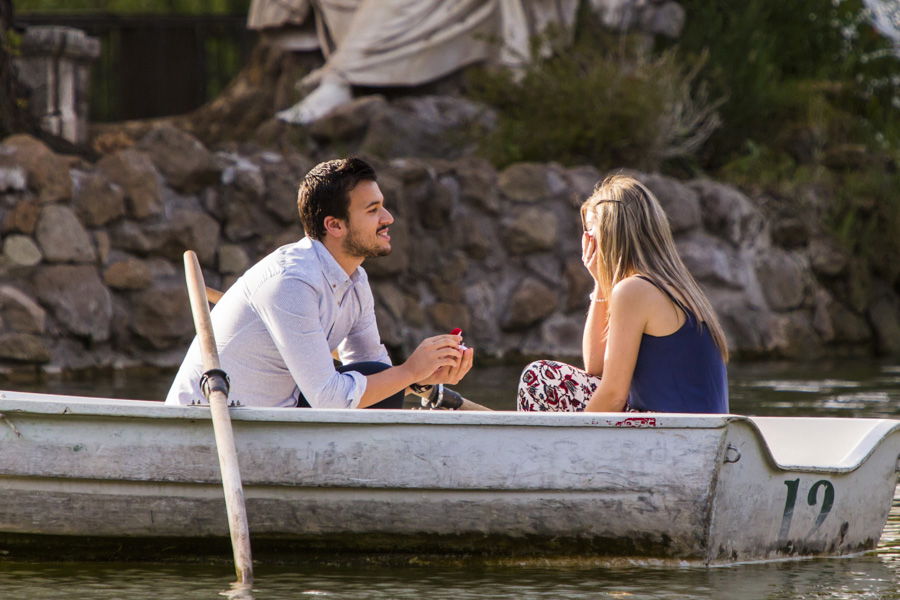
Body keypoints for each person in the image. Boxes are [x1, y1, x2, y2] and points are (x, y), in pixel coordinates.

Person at [167, 157, 474, 408]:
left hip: (275, 419)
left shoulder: (354, 279)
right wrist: (408, 371)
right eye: (373, 210)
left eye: (382, 206)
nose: (388, 218)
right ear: (334, 225)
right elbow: (330, 399)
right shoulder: (290, 283)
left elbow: (375, 372)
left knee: (378, 381)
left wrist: (422, 377)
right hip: (214, 423)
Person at [517, 174, 729, 413]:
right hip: (698, 433)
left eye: (590, 233)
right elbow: (596, 367)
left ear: (609, 235)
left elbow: (613, 396)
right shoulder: (679, 287)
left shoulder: (635, 290)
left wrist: (573, 440)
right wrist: (600, 281)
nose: (586, 243)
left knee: (541, 378)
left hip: (670, 436)